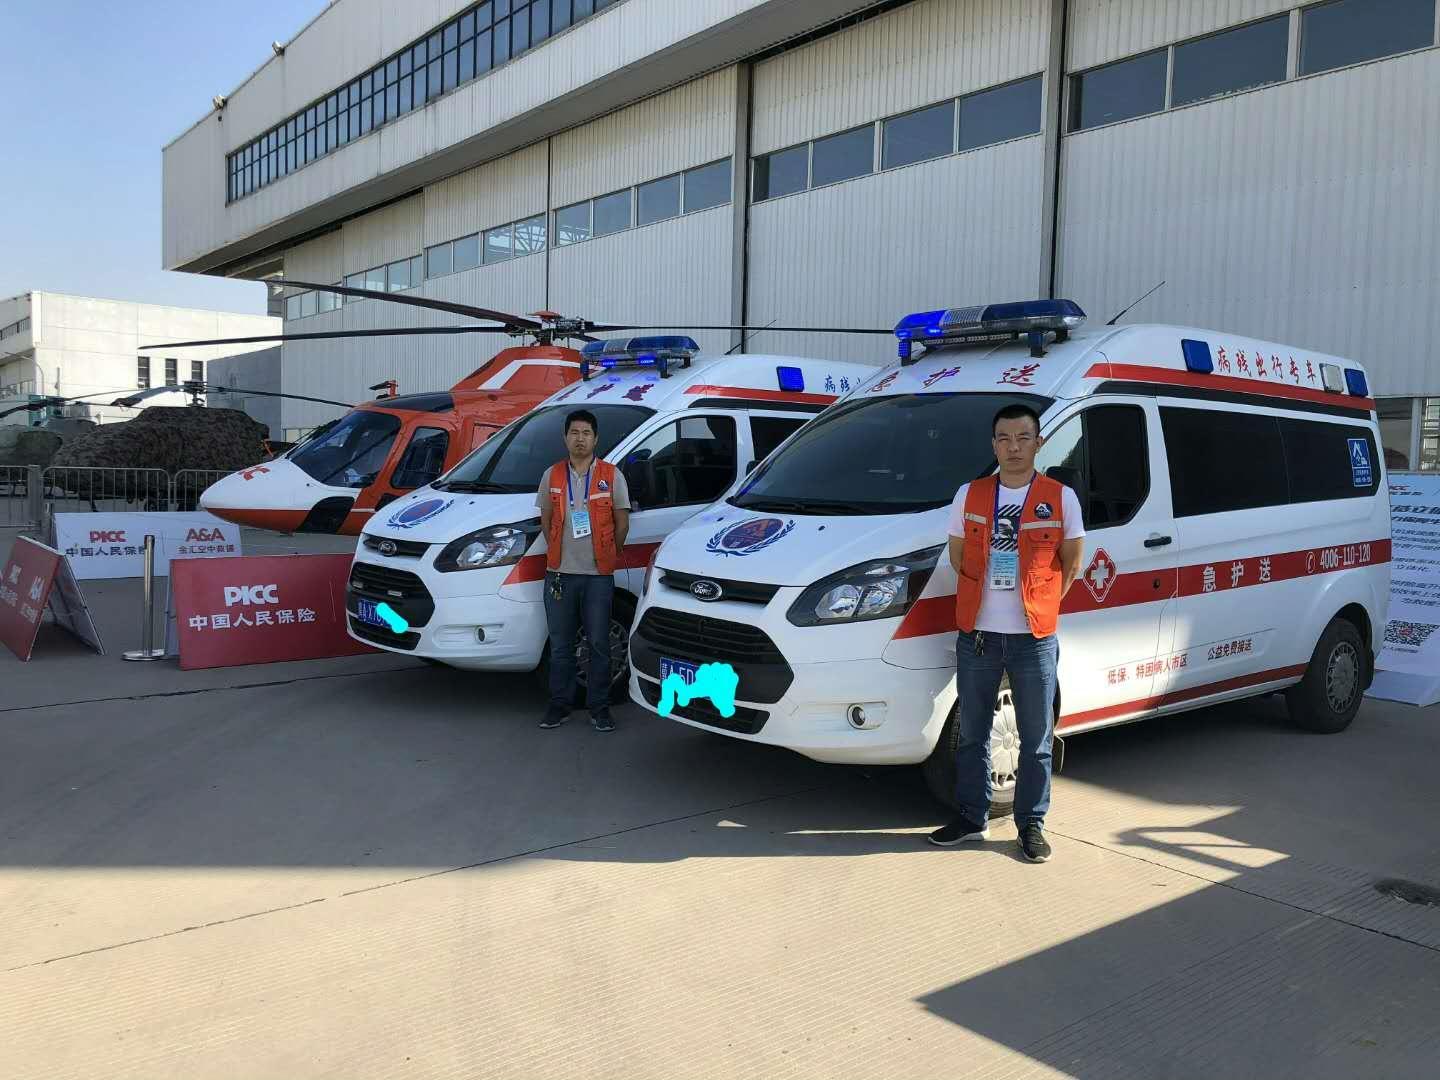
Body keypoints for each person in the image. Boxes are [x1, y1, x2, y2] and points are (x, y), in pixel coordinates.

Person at [929, 403, 1084, 862]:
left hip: (1033, 638)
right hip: (978, 634)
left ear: (1039, 443)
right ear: (993, 445)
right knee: (972, 734)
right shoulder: (970, 495)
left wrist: (1040, 602)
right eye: (1004, 438)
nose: (1013, 447)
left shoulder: (1061, 498)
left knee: (1035, 739)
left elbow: (1072, 562)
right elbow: (958, 556)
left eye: (1023, 438)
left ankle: (1031, 824)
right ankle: (971, 818)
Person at [536, 409, 631, 732]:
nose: (580, 439)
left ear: (596, 438)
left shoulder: (611, 475)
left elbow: (622, 522)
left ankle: (600, 708)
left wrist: (608, 554)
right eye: (574, 433)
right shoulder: (551, 475)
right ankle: (559, 706)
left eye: (586, 433)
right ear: (565, 438)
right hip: (559, 574)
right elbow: (546, 519)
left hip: (597, 577)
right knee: (560, 645)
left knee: (599, 644)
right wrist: (559, 553)